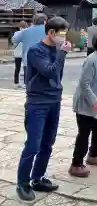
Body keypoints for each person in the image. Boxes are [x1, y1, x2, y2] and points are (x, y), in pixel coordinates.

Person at [16, 16, 71, 202]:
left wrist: (60, 54)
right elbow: (49, 71)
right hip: (37, 103)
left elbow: (58, 75)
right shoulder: (35, 51)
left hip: (54, 100)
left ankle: (37, 178)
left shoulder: (56, 49)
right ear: (51, 32)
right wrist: (62, 54)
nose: (64, 38)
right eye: (62, 34)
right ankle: (22, 183)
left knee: (48, 142)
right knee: (33, 144)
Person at [69, 31, 97, 177]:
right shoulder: (91, 60)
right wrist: (94, 101)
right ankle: (76, 164)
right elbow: (84, 83)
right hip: (85, 104)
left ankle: (93, 155)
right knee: (84, 133)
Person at [12, 14, 48, 86]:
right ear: (44, 21)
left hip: (28, 61)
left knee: (30, 85)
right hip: (45, 61)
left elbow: (14, 40)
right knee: (44, 84)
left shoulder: (25, 31)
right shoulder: (48, 31)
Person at [13, 21, 28, 86]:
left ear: (19, 27)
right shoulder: (28, 33)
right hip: (25, 53)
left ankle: (16, 83)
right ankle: (25, 83)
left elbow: (14, 42)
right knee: (26, 68)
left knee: (17, 68)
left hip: (17, 53)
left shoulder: (16, 33)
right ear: (26, 26)